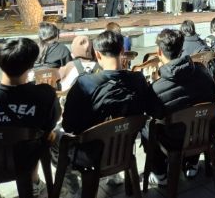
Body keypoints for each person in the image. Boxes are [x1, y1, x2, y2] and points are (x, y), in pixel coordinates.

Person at [0, 38, 61, 198]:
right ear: (31, 65)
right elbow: (50, 124)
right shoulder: (43, 96)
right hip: (25, 162)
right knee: (43, 136)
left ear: (0, 61)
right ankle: (33, 183)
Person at [61, 31, 155, 192]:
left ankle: (73, 189)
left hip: (90, 155)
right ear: (122, 51)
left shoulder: (84, 84)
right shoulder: (138, 80)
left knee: (57, 138)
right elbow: (147, 109)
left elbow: (68, 125)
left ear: (97, 54)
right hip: (125, 148)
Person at [145, 29, 215, 184]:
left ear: (159, 52)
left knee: (147, 127)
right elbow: (214, 96)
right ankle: (192, 163)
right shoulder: (203, 73)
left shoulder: (156, 88)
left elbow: (153, 113)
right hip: (202, 136)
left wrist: (152, 83)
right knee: (197, 118)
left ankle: (160, 174)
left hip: (175, 140)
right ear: (182, 49)